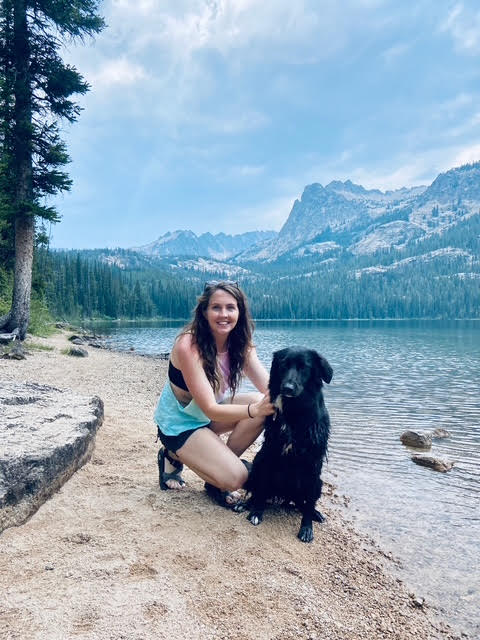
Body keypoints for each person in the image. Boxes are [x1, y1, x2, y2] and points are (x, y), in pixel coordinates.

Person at [154, 280, 275, 507]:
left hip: (207, 418)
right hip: (180, 425)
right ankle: (172, 454)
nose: (224, 314)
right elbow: (210, 407)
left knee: (264, 404)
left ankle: (217, 474)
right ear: (204, 311)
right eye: (216, 307)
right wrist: (253, 410)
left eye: (231, 307)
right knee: (237, 478)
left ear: (240, 311)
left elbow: (270, 389)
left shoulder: (241, 345)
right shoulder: (188, 345)